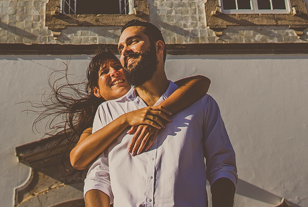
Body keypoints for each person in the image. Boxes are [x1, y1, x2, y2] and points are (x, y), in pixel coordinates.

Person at [83, 20, 236, 207]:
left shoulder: (202, 105)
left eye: (133, 41)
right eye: (120, 47)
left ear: (158, 47)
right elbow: (99, 176)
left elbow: (222, 165)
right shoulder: (108, 111)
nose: (124, 51)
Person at [46, 50, 212, 170]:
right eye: (105, 71)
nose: (114, 73)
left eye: (118, 67)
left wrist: (157, 112)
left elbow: (201, 83)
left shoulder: (154, 99)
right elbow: (77, 158)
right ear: (96, 91)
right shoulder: (93, 126)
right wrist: (125, 119)